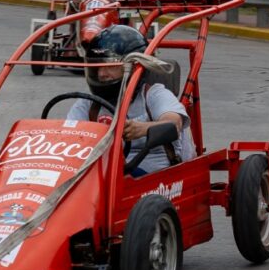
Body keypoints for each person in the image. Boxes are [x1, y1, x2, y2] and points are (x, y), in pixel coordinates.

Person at [66, 25, 196, 174]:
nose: (102, 73)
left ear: (134, 67)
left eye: (109, 66)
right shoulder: (88, 104)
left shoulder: (153, 95)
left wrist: (142, 129)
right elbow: (68, 134)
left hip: (153, 178)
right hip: (105, 174)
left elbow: (174, 123)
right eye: (97, 67)